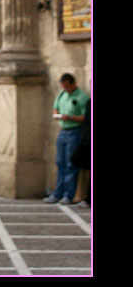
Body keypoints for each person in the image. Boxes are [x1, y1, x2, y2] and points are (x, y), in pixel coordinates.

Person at [44, 73, 89, 205]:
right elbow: (55, 107)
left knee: (70, 164)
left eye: (68, 87)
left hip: (75, 131)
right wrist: (57, 115)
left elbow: (84, 118)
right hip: (63, 131)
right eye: (64, 87)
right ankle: (57, 193)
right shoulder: (62, 94)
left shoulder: (82, 97)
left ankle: (68, 195)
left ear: (73, 84)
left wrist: (69, 117)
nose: (66, 89)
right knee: (60, 162)